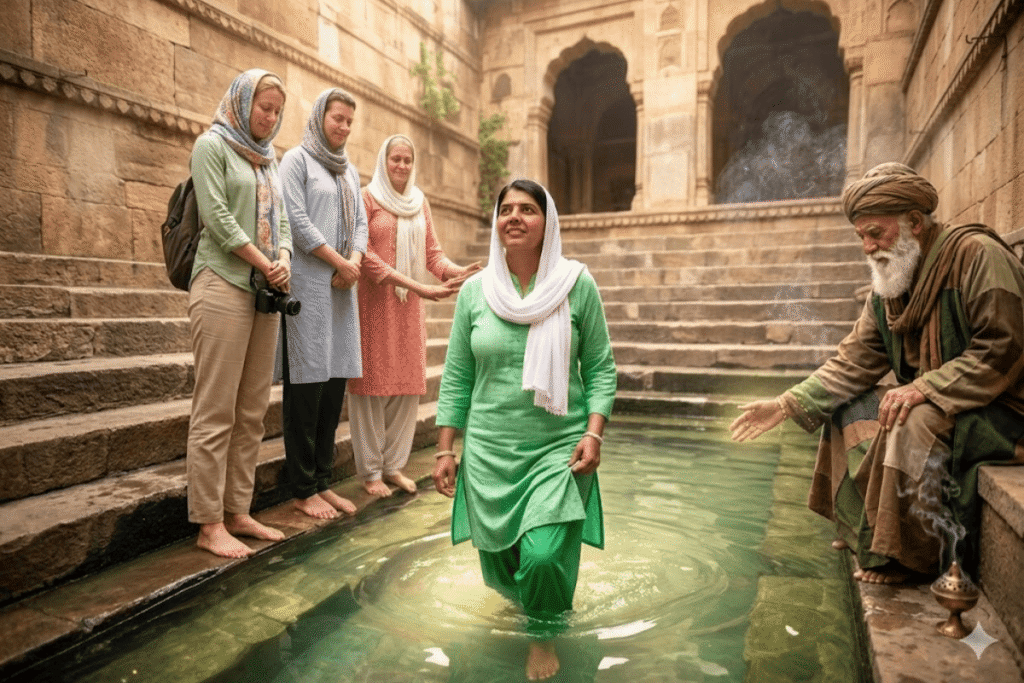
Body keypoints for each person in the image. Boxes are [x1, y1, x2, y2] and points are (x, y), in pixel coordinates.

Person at [730, 162, 1024, 584]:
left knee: (911, 415)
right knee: (850, 405)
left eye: (876, 234)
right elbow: (853, 362)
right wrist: (786, 404)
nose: (868, 247)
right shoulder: (889, 284)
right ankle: (863, 530)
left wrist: (925, 387)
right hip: (945, 403)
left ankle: (903, 558)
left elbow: (1005, 348)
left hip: (1003, 412)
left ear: (915, 223)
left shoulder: (978, 256)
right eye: (861, 237)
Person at [432, 179, 617, 681]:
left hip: (558, 446)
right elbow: (457, 376)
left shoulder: (577, 285)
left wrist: (594, 433)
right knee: (501, 569)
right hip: (490, 450)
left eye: (528, 209)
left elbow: (600, 368)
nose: (514, 217)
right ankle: (539, 608)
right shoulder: (475, 292)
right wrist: (445, 448)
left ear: (547, 222)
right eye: (506, 209)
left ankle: (543, 637)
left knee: (540, 556)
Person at [186, 69, 293, 558]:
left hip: (264, 292)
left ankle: (238, 511)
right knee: (216, 411)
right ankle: (209, 524)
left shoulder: (270, 161)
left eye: (276, 111)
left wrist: (285, 258)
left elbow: (284, 222)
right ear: (242, 102)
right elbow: (217, 217)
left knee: (251, 412)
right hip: (222, 284)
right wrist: (265, 262)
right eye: (263, 107)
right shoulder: (211, 147)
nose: (269, 118)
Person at [347, 134, 481, 497]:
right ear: (383, 160)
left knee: (406, 388)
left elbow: (432, 255)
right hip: (374, 305)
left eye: (407, 160)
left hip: (408, 310)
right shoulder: (366, 197)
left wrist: (459, 273)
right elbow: (367, 258)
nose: (402, 166)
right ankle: (371, 471)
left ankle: (393, 466)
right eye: (395, 159)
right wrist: (420, 287)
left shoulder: (419, 202)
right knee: (371, 388)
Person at [277, 88, 366, 520]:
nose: (343, 126)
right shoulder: (296, 161)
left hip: (342, 291)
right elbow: (294, 220)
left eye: (349, 120)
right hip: (309, 288)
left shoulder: (349, 172)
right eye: (337, 118)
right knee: (306, 392)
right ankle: (303, 488)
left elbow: (362, 224)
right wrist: (338, 260)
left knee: (332, 392)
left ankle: (324, 481)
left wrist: (354, 262)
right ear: (320, 116)